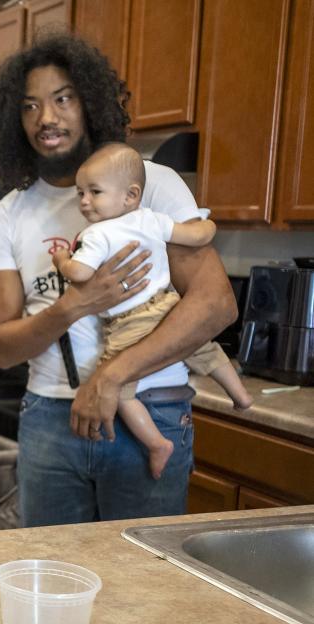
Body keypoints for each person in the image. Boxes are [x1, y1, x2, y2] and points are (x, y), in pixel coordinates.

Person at [0, 33, 238, 526]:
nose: (46, 118)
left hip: (152, 409)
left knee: (143, 587)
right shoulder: (6, 218)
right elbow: (2, 347)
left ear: (91, 103)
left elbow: (216, 305)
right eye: (30, 106)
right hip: (50, 422)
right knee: (48, 579)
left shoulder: (151, 184)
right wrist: (75, 304)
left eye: (63, 99)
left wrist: (112, 377)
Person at [51, 141, 253, 480]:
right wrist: (208, 225)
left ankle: (157, 443)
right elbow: (199, 233)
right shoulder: (152, 220)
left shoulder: (96, 234)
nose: (84, 202)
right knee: (206, 350)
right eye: (81, 193)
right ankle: (241, 395)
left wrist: (62, 261)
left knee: (121, 387)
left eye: (94, 192)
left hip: (129, 321)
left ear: (130, 195)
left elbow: (81, 273)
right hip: (167, 306)